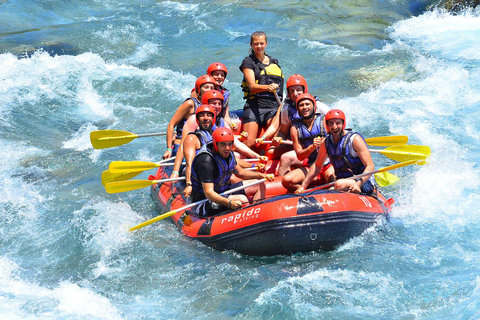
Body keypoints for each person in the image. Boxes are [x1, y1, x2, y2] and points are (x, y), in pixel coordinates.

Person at [256, 74, 330, 175]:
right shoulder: (287, 109)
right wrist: (278, 139)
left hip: (319, 146)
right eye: (292, 91)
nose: (295, 93)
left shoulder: (318, 106)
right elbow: (282, 131)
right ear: (288, 93)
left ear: (304, 90)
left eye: (298, 90)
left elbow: (336, 124)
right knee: (271, 152)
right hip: (298, 145)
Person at [191, 127, 274, 216]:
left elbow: (241, 172)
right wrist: (229, 203)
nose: (227, 148)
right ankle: (248, 220)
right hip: (204, 201)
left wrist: (262, 176)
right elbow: (209, 193)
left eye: (229, 144)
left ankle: (258, 214)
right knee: (242, 199)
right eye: (223, 144)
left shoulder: (228, 154)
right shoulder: (206, 161)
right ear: (216, 144)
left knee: (259, 184)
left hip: (223, 191)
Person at [295, 109, 376, 195]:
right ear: (327, 125)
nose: (334, 127)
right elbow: (317, 165)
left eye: (338, 123)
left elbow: (370, 166)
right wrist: (303, 186)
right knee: (328, 192)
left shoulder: (355, 140)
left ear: (343, 124)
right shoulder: (325, 142)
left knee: (338, 184)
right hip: (343, 181)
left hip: (363, 180)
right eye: (331, 123)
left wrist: (358, 184)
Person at [239, 31, 284, 148]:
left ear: (266, 44)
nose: (259, 46)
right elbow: (252, 87)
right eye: (256, 44)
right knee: (249, 142)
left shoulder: (274, 62)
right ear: (251, 45)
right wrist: (268, 87)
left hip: (273, 107)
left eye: (261, 43)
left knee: (278, 137)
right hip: (255, 106)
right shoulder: (248, 62)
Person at [281, 93, 334, 192]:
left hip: (330, 164)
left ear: (314, 107)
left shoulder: (325, 122)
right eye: (301, 105)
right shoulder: (295, 129)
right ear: (298, 110)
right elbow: (300, 156)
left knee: (331, 177)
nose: (305, 107)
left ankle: (330, 192)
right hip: (312, 166)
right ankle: (309, 194)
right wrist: (312, 147)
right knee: (287, 181)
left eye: (307, 104)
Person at [162, 74, 215, 160]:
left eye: (211, 88)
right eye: (206, 87)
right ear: (199, 90)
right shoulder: (190, 104)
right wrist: (168, 149)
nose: (209, 90)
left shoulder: (210, 105)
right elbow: (171, 124)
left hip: (199, 144)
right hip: (181, 145)